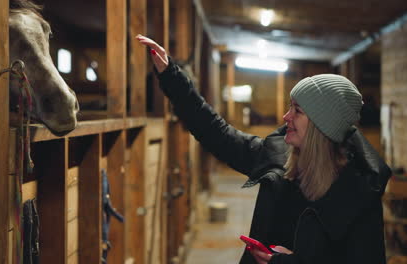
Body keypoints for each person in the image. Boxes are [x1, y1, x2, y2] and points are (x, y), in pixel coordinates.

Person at [136, 34, 391, 264]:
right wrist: (173, 77)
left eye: (297, 111)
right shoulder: (278, 156)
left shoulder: (358, 195)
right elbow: (217, 134)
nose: (285, 116)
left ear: (320, 126)